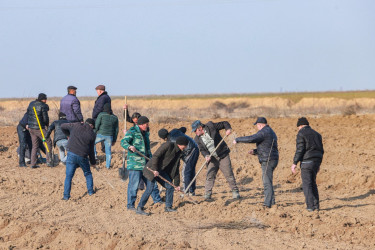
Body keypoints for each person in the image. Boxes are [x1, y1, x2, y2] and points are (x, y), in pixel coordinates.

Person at [136, 136, 189, 215]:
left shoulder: (179, 153)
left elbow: (176, 169)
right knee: (150, 188)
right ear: (180, 144)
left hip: (161, 171)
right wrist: (154, 169)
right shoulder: (167, 145)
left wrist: (177, 184)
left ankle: (168, 207)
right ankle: (140, 207)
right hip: (151, 169)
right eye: (185, 146)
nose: (186, 147)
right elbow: (155, 156)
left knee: (170, 187)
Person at [233, 117, 279, 208]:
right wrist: (255, 151)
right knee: (268, 181)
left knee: (266, 182)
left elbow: (252, 138)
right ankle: (272, 202)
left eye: (257, 125)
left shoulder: (264, 131)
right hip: (272, 158)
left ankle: (267, 204)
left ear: (260, 124)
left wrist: (238, 139)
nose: (257, 127)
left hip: (268, 160)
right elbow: (267, 146)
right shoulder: (270, 131)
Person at [120, 116, 162, 210]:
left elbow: (147, 148)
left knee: (152, 183)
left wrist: (151, 160)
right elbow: (123, 142)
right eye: (146, 124)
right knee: (133, 186)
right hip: (135, 164)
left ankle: (157, 201)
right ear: (141, 124)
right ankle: (130, 205)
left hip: (146, 163)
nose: (148, 126)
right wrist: (130, 147)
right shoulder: (132, 131)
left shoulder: (146, 133)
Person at [192, 120, 240, 200]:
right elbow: (202, 149)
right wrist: (206, 156)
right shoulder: (197, 139)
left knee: (228, 174)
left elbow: (224, 123)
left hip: (222, 155)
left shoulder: (211, 126)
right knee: (210, 175)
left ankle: (235, 191)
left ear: (200, 128)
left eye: (195, 130)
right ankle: (207, 194)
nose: (194, 132)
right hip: (212, 158)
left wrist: (228, 129)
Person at [291, 117, 324, 212]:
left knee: (307, 184)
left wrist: (294, 163)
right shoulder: (317, 134)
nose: (298, 129)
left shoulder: (301, 133)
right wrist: (319, 164)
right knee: (313, 183)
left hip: (307, 162)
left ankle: (310, 207)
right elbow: (321, 150)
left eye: (298, 127)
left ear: (300, 126)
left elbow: (300, 149)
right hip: (316, 162)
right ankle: (316, 206)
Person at [61, 118, 97, 200]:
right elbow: (91, 150)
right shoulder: (92, 134)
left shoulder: (76, 125)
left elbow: (62, 126)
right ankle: (90, 192)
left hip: (71, 153)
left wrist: (68, 135)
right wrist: (93, 162)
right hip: (83, 156)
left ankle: (66, 196)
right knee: (87, 173)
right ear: (91, 125)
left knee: (69, 176)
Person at [158, 128, 199, 195]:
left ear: (163, 138)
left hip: (190, 152)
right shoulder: (174, 130)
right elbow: (183, 129)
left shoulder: (171, 142)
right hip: (194, 146)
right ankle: (192, 190)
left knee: (187, 172)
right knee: (190, 171)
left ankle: (187, 191)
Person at [26, 93, 53, 168]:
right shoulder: (43, 105)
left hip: (31, 128)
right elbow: (45, 118)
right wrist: (47, 125)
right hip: (39, 128)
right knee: (48, 142)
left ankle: (33, 163)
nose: (46, 100)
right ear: (43, 99)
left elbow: (28, 113)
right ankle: (49, 161)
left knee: (35, 145)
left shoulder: (31, 104)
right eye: (45, 99)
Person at [94, 103, 119, 169]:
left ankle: (94, 156)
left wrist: (93, 133)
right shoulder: (115, 117)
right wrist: (114, 140)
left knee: (92, 143)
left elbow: (96, 125)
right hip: (109, 136)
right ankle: (108, 166)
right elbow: (116, 130)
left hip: (100, 134)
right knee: (108, 152)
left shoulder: (101, 115)